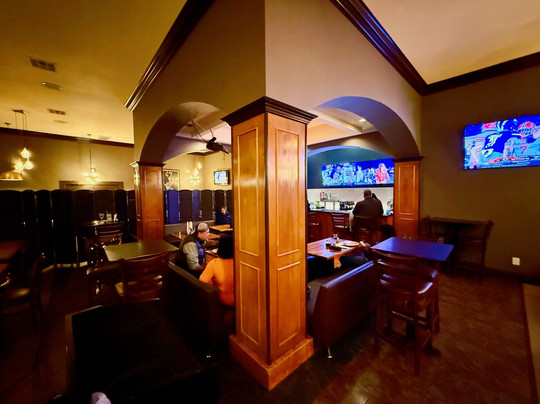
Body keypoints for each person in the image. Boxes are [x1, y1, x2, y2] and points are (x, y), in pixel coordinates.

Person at [199, 234, 235, 306]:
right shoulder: (241, 263)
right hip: (242, 300)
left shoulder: (214, 263)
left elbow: (203, 280)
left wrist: (215, 284)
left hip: (224, 300)